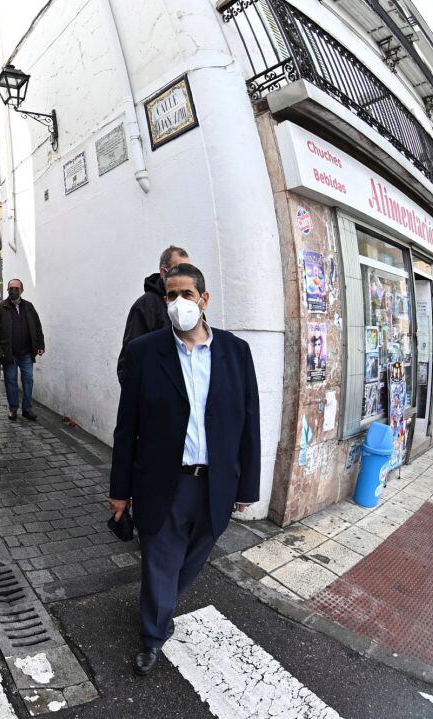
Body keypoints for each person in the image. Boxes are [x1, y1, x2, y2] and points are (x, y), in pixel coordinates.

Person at [109, 263, 260, 676]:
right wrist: (119, 490)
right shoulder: (146, 352)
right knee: (159, 556)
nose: (177, 304)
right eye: (170, 296)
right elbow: (128, 427)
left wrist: (247, 486)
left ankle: (159, 602)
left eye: (186, 295)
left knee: (196, 553)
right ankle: (153, 633)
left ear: (204, 299)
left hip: (216, 482)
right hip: (164, 480)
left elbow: (249, 421)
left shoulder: (235, 352)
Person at [117, 246, 190, 384]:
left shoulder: (193, 304)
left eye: (189, 270)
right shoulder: (146, 306)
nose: (187, 276)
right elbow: (128, 364)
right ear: (164, 272)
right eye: (180, 270)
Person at [0, 279, 45, 421]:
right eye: (10, 289)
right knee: (11, 382)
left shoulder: (29, 307)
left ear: (22, 290)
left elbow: (37, 327)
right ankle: (13, 409)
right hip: (9, 354)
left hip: (26, 353)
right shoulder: (1, 308)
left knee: (28, 380)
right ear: (7, 290)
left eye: (16, 289)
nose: (13, 291)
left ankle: (27, 409)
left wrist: (40, 345)